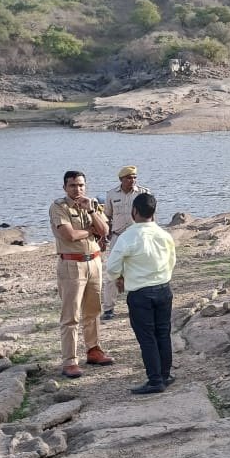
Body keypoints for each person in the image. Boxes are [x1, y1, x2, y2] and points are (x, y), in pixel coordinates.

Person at [105, 193, 176, 395]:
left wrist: (119, 276)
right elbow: (172, 261)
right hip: (163, 289)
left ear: (134, 212)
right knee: (163, 333)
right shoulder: (164, 235)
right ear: (154, 212)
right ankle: (164, 374)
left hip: (141, 293)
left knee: (147, 337)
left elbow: (112, 266)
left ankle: (155, 380)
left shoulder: (129, 236)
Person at [50, 171, 114, 379]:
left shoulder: (92, 204)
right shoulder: (59, 207)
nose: (77, 189)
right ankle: (70, 361)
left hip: (94, 261)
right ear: (65, 187)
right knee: (71, 316)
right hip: (71, 264)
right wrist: (90, 231)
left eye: (80, 185)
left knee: (93, 310)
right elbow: (69, 235)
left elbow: (104, 230)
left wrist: (92, 212)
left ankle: (94, 350)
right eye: (72, 186)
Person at [102, 165, 151, 320]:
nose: (133, 180)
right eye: (129, 177)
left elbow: (151, 216)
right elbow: (106, 217)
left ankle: (140, 307)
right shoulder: (111, 194)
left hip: (138, 236)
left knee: (139, 271)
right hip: (118, 237)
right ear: (121, 179)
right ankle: (109, 308)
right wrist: (104, 236)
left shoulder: (144, 193)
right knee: (112, 272)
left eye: (135, 177)